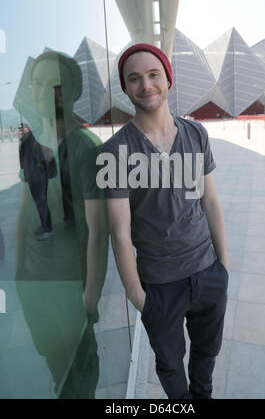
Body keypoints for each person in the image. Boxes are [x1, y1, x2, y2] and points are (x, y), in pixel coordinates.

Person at [101, 43, 229, 400]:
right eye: (135, 78)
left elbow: (211, 201)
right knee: (171, 366)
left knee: (206, 355)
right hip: (160, 286)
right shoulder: (114, 153)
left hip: (207, 275)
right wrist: (137, 295)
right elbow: (119, 233)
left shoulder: (196, 134)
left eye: (154, 74)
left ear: (168, 79)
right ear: (126, 89)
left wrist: (224, 267)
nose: (146, 85)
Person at [15, 51, 109, 398]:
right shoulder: (27, 144)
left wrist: (90, 295)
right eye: (37, 84)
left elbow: (98, 233)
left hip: (71, 282)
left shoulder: (87, 147)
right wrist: (19, 273)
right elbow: (25, 211)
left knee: (82, 367)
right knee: (55, 361)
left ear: (71, 91)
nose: (43, 92)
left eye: (54, 85)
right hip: (35, 280)